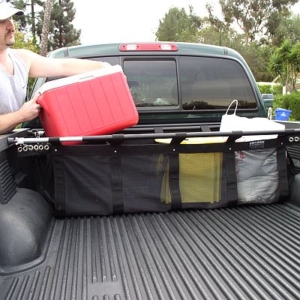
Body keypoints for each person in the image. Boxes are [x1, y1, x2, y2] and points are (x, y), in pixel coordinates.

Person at [0, 2, 110, 134]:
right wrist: (21, 115)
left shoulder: (22, 59)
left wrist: (107, 69)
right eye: (2, 21)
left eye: (11, 19)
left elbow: (63, 66)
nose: (11, 26)